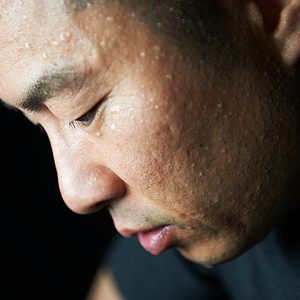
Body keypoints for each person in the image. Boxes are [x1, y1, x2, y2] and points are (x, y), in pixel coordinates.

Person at [0, 0, 299, 299]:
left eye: (83, 111)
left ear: (272, 8)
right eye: (39, 126)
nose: (75, 195)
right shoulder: (223, 199)